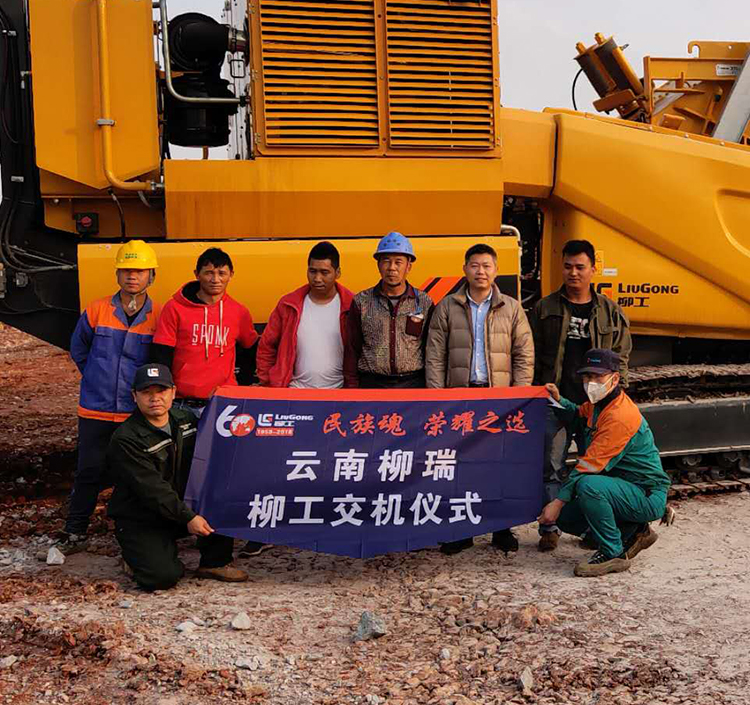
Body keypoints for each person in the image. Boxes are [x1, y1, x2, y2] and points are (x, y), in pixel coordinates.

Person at [45, 240, 161, 559]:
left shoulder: (159, 316)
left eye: (139, 271)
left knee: (134, 475)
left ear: (151, 275)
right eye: (126, 270)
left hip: (132, 412)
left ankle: (132, 538)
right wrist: (95, 376)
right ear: (117, 274)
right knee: (88, 471)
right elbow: (79, 348)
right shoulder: (97, 310)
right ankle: (75, 532)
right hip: (95, 409)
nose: (132, 276)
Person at [426, 243, 535, 555]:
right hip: (460, 398)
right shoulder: (447, 306)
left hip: (498, 400)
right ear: (465, 269)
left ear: (496, 270)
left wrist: (518, 397)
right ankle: (462, 531)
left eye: (487, 266)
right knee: (461, 465)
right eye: (474, 265)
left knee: (498, 465)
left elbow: (523, 355)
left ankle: (501, 528)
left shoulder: (511, 308)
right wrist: (438, 399)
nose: (481, 271)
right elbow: (435, 355)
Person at [530, 240, 632, 552]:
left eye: (580, 267)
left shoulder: (610, 312)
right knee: (551, 467)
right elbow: (531, 352)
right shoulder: (544, 308)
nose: (573, 273)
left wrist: (616, 399)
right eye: (567, 266)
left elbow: (621, 357)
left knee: (597, 470)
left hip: (595, 407)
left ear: (593, 269)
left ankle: (594, 530)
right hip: (556, 403)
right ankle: (549, 528)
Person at [107, 364, 248, 590]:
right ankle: (137, 557)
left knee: (221, 492)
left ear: (173, 392)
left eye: (161, 391)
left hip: (179, 507)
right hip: (144, 516)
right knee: (162, 577)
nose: (155, 398)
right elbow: (152, 490)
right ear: (134, 396)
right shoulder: (126, 438)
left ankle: (215, 562)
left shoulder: (186, 420)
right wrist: (188, 518)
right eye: (146, 392)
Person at [538, 349, 670, 577]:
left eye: (597, 377)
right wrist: (559, 400)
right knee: (566, 516)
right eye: (587, 376)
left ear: (615, 378)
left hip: (645, 493)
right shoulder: (599, 404)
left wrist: (556, 503)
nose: (591, 383)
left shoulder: (620, 415)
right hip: (622, 488)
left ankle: (612, 553)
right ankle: (633, 532)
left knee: (588, 486)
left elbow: (588, 466)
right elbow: (578, 415)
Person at [151, 247, 258, 418]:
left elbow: (251, 349)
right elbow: (161, 355)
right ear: (197, 274)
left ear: (231, 274)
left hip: (224, 403)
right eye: (209, 273)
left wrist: (243, 383)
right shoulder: (174, 308)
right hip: (181, 403)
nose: (215, 279)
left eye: (221, 273)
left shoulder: (239, 312)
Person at [257, 241, 353, 389]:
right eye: (312, 271)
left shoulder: (353, 305)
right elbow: (267, 346)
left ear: (338, 273)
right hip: (295, 392)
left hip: (339, 393)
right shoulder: (287, 305)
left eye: (324, 272)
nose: (317, 278)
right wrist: (268, 382)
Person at [344, 232, 433, 389]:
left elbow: (432, 348)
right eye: (386, 261)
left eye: (398, 262)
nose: (392, 268)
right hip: (371, 384)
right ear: (378, 265)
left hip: (413, 384)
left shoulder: (424, 302)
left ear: (408, 266)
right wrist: (351, 386)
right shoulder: (361, 302)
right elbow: (352, 348)